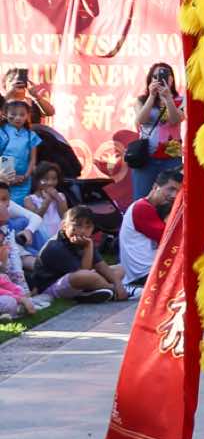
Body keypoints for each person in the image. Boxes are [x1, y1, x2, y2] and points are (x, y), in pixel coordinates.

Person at [26, 206, 126, 303]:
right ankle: (114, 291)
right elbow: (84, 272)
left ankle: (92, 292)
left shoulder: (84, 241)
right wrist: (88, 247)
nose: (82, 231)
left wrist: (118, 283)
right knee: (85, 276)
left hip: (78, 278)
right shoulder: (56, 246)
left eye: (88, 227)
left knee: (120, 269)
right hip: (51, 286)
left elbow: (101, 265)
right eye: (78, 226)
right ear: (64, 226)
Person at [117, 168, 181, 290]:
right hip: (146, 274)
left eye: (178, 192)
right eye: (171, 189)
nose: (174, 195)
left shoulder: (149, 206)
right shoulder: (142, 208)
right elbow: (171, 239)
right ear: (155, 187)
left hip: (148, 271)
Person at [131, 62, 186, 197]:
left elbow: (175, 120)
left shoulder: (180, 100)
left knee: (170, 199)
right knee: (142, 197)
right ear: (150, 80)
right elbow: (141, 121)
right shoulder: (141, 100)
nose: (159, 79)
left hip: (171, 156)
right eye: (155, 76)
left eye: (164, 76)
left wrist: (168, 98)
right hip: (146, 156)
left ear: (171, 79)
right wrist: (151, 96)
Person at [0, 98, 41, 205]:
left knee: (21, 207)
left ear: (27, 115)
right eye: (13, 114)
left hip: (23, 181)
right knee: (4, 207)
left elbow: (32, 159)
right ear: (5, 114)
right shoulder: (2, 132)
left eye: (22, 114)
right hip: (3, 180)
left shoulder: (31, 135)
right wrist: (6, 178)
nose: (18, 118)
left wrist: (26, 176)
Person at [23, 163, 68, 243]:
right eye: (45, 179)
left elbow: (65, 216)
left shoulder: (61, 196)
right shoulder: (30, 199)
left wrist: (58, 198)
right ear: (37, 180)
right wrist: (46, 202)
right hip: (41, 236)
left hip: (59, 235)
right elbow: (36, 218)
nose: (50, 182)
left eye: (54, 179)